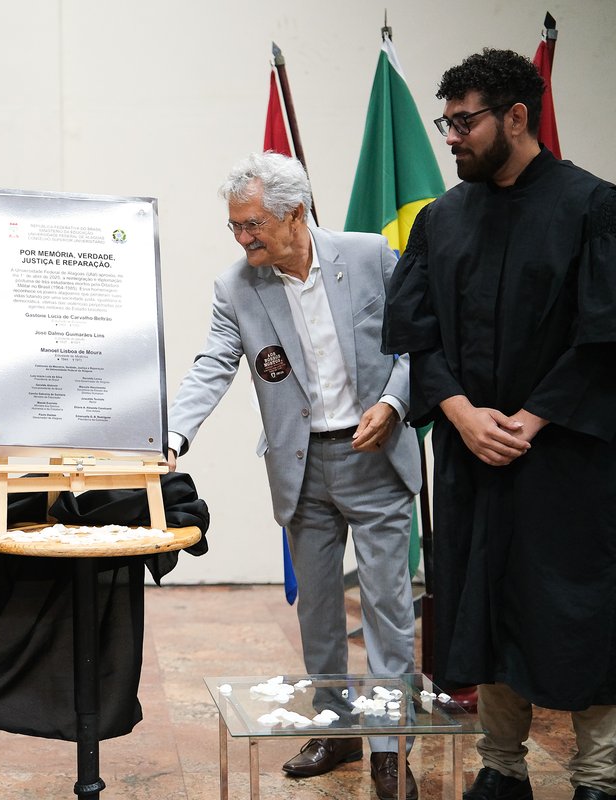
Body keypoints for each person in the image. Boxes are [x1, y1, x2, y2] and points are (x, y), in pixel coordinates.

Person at [385, 48, 616, 800]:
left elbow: (604, 335)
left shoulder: (593, 207)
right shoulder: (442, 219)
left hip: (567, 457)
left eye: (465, 122)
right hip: (471, 454)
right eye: (446, 123)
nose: (452, 137)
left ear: (517, 117)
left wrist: (529, 420)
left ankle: (598, 774)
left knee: (578, 609)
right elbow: (415, 334)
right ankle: (502, 766)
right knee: (481, 604)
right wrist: (459, 413)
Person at [169, 152, 422, 800]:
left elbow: (417, 343)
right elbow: (213, 363)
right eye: (234, 226)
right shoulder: (236, 287)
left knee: (388, 608)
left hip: (375, 453)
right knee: (317, 611)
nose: (242, 238)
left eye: (252, 224)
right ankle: (335, 727)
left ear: (295, 214)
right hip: (301, 466)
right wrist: (171, 435)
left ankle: (389, 746)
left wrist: (394, 403)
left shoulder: (369, 256)